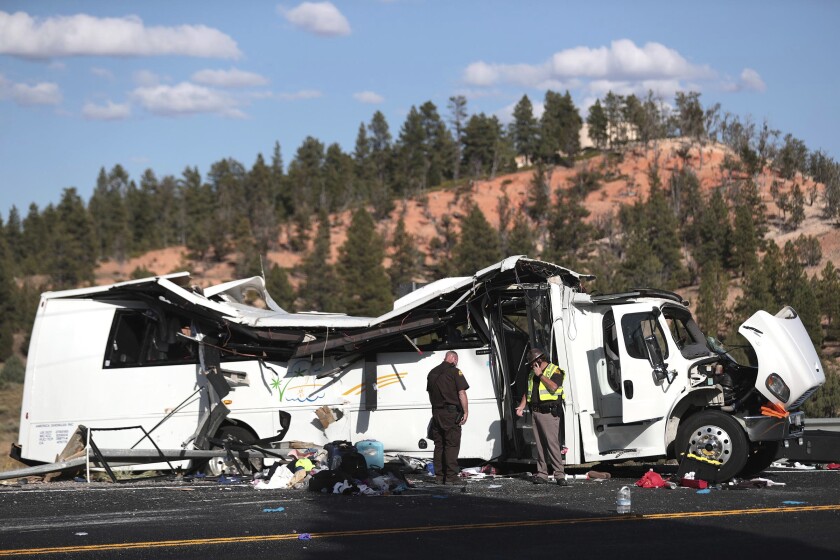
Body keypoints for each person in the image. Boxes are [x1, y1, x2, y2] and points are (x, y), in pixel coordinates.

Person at [515, 347, 568, 486]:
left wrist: (541, 375)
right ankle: (542, 474)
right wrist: (521, 406)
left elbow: (554, 387)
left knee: (552, 445)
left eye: (532, 363)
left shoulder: (554, 370)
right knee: (540, 446)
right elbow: (528, 392)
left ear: (538, 361)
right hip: (536, 412)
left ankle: (559, 475)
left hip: (549, 413)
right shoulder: (532, 374)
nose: (531, 366)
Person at [427, 350, 469, 484]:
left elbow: (430, 394)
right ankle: (451, 477)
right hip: (451, 414)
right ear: (454, 359)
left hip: (436, 413)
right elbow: (461, 393)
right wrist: (466, 411)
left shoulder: (432, 372)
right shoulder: (455, 372)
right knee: (452, 444)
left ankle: (439, 477)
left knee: (439, 445)